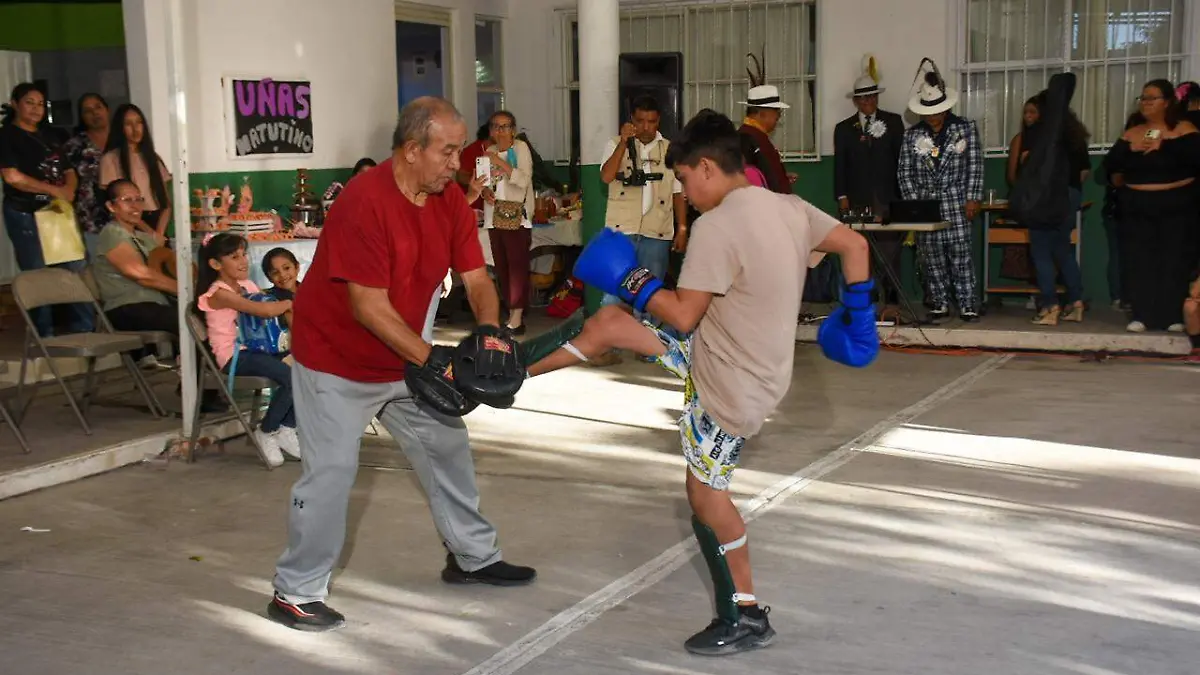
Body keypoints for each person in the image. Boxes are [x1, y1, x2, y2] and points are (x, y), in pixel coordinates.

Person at [524, 109, 876, 656]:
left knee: (706, 497)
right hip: (725, 352)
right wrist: (859, 316)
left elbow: (682, 315)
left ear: (707, 168)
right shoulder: (787, 207)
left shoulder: (718, 226)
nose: (684, 190)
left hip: (730, 381)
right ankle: (508, 376)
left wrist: (632, 278)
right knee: (609, 324)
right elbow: (855, 246)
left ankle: (746, 614)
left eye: (684, 179)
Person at [267, 96, 535, 632]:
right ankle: (295, 593)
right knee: (332, 474)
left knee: (448, 449)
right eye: (448, 151)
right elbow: (368, 307)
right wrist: (436, 361)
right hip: (334, 364)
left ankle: (472, 558)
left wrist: (488, 336)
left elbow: (477, 279)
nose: (457, 162)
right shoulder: (363, 203)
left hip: (401, 361)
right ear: (412, 150)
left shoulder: (450, 201)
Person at [1103, 79, 1199, 333]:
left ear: (1167, 102)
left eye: (1152, 97)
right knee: (1139, 260)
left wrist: (1163, 145)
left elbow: (1194, 159)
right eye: (1143, 98)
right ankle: (1141, 314)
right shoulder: (1133, 132)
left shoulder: (1184, 129)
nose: (1145, 102)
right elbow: (1110, 166)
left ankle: (1171, 316)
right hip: (1137, 207)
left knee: (1173, 259)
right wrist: (1132, 149)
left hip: (1176, 206)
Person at [0, 82, 93, 337]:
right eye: (29, 102)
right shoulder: (7, 135)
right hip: (25, 213)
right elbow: (12, 177)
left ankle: (85, 331)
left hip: (57, 213)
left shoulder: (51, 135)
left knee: (74, 268)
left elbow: (69, 171)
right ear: (15, 104)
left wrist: (69, 190)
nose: (36, 109)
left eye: (41, 104)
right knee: (38, 273)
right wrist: (55, 190)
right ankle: (44, 336)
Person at [195, 232, 297, 466]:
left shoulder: (246, 285)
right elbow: (264, 310)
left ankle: (287, 427)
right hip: (234, 356)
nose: (243, 261)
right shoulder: (219, 293)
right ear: (215, 264)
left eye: (244, 254)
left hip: (257, 351)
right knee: (291, 376)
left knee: (308, 369)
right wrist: (291, 301)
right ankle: (267, 430)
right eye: (234, 256)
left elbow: (266, 303)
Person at [898, 59, 984, 322]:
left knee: (960, 254)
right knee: (931, 257)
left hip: (958, 202)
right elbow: (904, 173)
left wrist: (973, 198)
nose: (932, 116)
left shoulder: (965, 129)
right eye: (928, 111)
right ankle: (939, 303)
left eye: (937, 110)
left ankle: (968, 303)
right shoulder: (911, 136)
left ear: (946, 109)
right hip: (927, 205)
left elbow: (975, 166)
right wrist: (915, 207)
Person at [599, 95, 688, 314]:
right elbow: (606, 177)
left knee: (650, 296)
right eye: (640, 121)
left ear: (659, 121)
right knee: (613, 294)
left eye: (651, 122)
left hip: (657, 232)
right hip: (621, 231)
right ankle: (611, 343)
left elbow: (678, 191)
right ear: (632, 120)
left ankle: (647, 345)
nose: (645, 127)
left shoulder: (670, 149)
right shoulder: (614, 144)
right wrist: (622, 143)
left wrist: (682, 227)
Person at [1010, 87, 1091, 325]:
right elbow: (1084, 171)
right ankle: (1076, 303)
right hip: (1071, 195)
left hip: (1045, 197)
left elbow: (1027, 167)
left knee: (1041, 251)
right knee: (1062, 249)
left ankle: (1049, 306)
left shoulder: (1041, 134)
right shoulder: (1074, 134)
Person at [833, 60, 905, 304]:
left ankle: (893, 302)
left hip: (888, 197)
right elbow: (840, 166)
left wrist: (903, 196)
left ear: (877, 97)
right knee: (862, 251)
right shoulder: (843, 129)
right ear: (856, 101)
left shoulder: (894, 123)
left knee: (890, 252)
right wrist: (842, 197)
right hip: (858, 198)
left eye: (872, 98)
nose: (868, 103)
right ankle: (867, 302)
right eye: (863, 99)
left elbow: (901, 161)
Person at [93, 180, 178, 339]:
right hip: (127, 308)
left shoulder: (144, 238)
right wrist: (184, 289)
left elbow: (169, 264)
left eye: (139, 199)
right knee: (186, 321)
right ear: (111, 206)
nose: (135, 206)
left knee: (205, 314)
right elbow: (141, 275)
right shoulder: (112, 233)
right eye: (127, 200)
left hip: (155, 304)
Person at [482, 110, 536, 335]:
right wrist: (484, 191)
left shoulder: (520, 148)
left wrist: (498, 161)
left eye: (505, 126)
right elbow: (483, 181)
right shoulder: (488, 152)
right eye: (496, 126)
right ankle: (511, 312)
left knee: (517, 267)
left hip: (517, 217)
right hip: (494, 216)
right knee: (501, 267)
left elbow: (523, 180)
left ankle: (516, 318)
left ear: (513, 130)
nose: (500, 131)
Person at [99, 103, 171, 237]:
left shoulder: (153, 158)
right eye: (128, 124)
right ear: (120, 128)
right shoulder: (111, 159)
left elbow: (166, 203)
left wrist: (159, 233)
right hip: (130, 224)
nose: (135, 128)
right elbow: (115, 203)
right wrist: (150, 233)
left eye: (139, 123)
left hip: (157, 221)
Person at [739, 51, 796, 195]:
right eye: (776, 111)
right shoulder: (747, 138)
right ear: (762, 113)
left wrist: (782, 177)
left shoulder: (756, 136)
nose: (778, 116)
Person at [63, 92, 111, 254]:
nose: (94, 113)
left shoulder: (122, 140)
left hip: (124, 214)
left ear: (107, 110)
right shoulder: (75, 145)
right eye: (87, 111)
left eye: (98, 107)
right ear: (82, 117)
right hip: (89, 217)